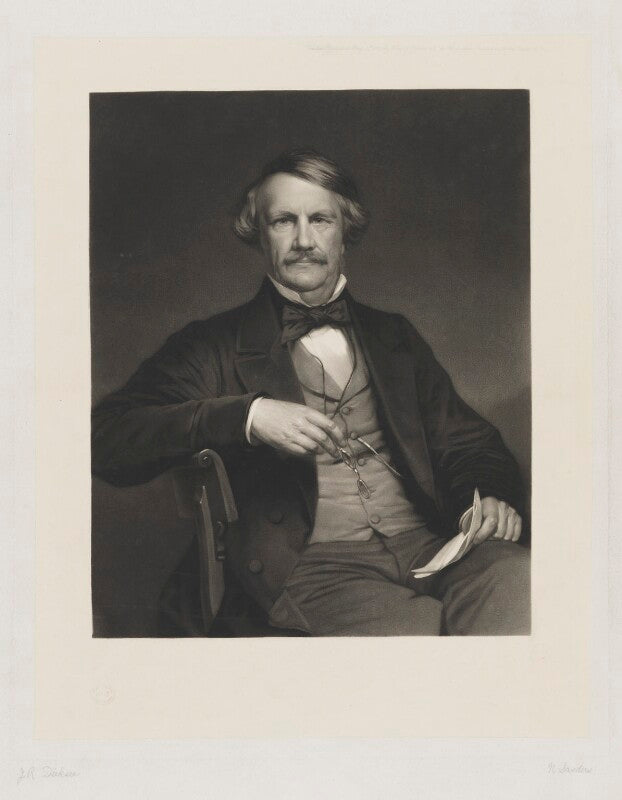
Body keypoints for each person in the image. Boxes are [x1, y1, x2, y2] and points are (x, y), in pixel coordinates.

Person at [92, 149, 530, 636]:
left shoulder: (393, 336)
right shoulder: (211, 345)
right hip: (308, 568)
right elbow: (106, 438)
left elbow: (468, 442)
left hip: (429, 544)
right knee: (416, 634)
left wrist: (486, 498)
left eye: (320, 219)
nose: (303, 240)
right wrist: (248, 417)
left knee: (519, 582)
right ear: (258, 233)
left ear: (345, 230)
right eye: (283, 221)